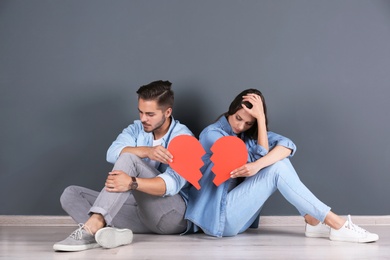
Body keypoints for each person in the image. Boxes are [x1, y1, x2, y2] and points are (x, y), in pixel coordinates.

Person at [185, 88, 379, 243]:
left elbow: (287, 146)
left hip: (238, 218)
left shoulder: (247, 136)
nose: (241, 126)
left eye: (249, 123)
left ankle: (313, 220)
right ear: (231, 110)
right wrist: (259, 163)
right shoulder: (211, 134)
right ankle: (335, 223)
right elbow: (242, 157)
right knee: (276, 167)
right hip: (219, 218)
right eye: (238, 118)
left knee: (279, 161)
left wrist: (260, 121)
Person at [53, 80, 193, 251]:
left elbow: (170, 186)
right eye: (140, 112)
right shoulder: (136, 129)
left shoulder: (184, 138)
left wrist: (132, 183)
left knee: (129, 157)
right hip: (142, 215)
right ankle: (110, 234)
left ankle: (92, 228)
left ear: (167, 112)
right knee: (71, 194)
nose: (143, 119)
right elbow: (112, 153)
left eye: (150, 114)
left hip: (172, 216)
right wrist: (147, 151)